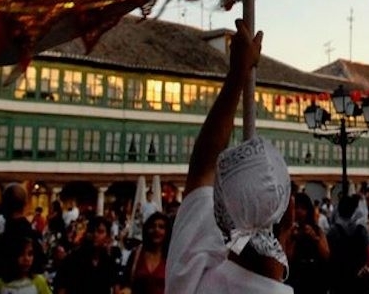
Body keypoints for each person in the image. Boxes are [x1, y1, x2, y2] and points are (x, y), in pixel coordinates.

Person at [165, 17, 294, 292]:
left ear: (219, 211)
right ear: (290, 217)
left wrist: (237, 75)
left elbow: (202, 166)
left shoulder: (190, 277)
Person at [285, 192, 328, 294]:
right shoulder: (287, 231)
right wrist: (293, 238)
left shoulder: (317, 230)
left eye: (302, 208)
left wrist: (315, 238)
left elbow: (326, 254)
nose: (299, 212)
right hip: (296, 278)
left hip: (315, 277)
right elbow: (287, 258)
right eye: (296, 208)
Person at [328, 194, 369, 294]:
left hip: (338, 280)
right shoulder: (362, 231)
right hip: (358, 280)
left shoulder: (332, 232)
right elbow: (367, 254)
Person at [121, 212, 167, 294]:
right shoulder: (136, 254)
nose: (156, 230)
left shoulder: (171, 257)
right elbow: (125, 282)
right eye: (153, 226)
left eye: (161, 227)